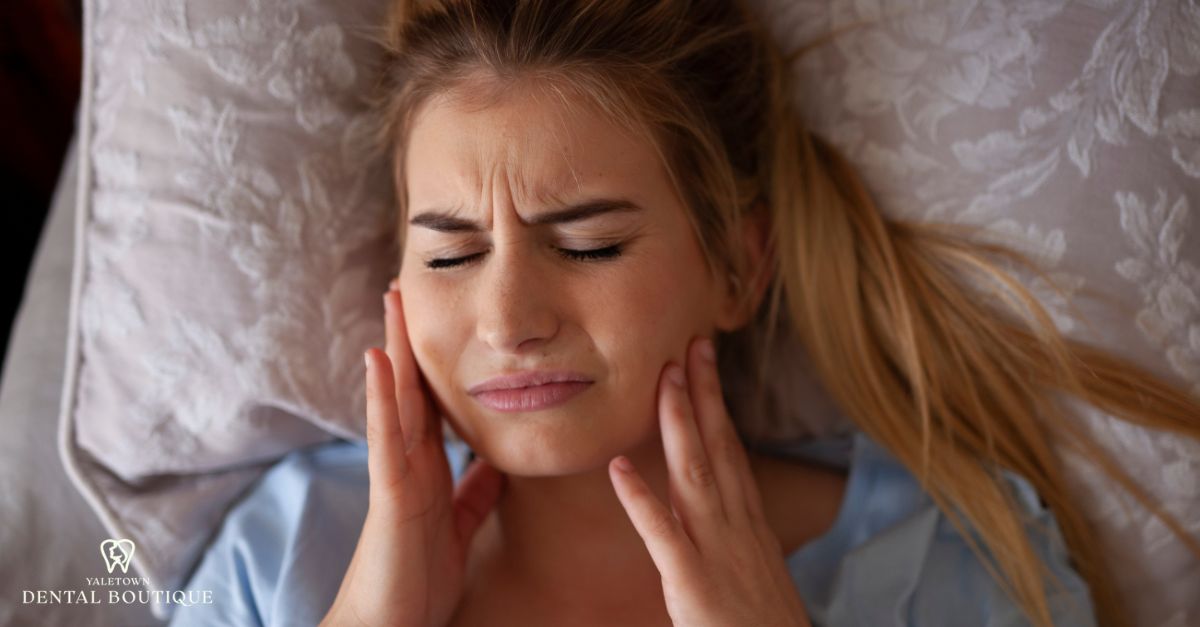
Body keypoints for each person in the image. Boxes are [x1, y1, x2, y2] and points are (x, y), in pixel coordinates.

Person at [170, 1, 1200, 626]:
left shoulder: (952, 565)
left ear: (739, 267)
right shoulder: (283, 549)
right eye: (451, 252)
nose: (508, 316)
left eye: (589, 246)